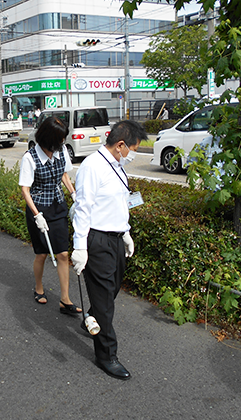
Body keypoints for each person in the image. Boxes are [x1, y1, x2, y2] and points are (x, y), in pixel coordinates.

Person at [71, 120, 144, 380]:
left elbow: (119, 203)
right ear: (121, 145)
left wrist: (125, 233)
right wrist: (80, 247)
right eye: (133, 149)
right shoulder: (93, 166)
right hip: (97, 240)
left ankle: (91, 317)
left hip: (114, 238)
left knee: (110, 291)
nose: (134, 154)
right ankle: (106, 355)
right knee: (105, 305)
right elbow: (83, 208)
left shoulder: (117, 165)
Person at [19, 116, 81, 315]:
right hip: (39, 209)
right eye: (60, 139)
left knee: (63, 253)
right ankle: (38, 287)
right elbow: (25, 190)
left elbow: (63, 174)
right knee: (42, 253)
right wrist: (37, 215)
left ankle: (65, 299)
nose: (63, 143)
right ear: (48, 139)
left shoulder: (61, 150)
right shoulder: (30, 158)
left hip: (58, 206)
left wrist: (73, 194)